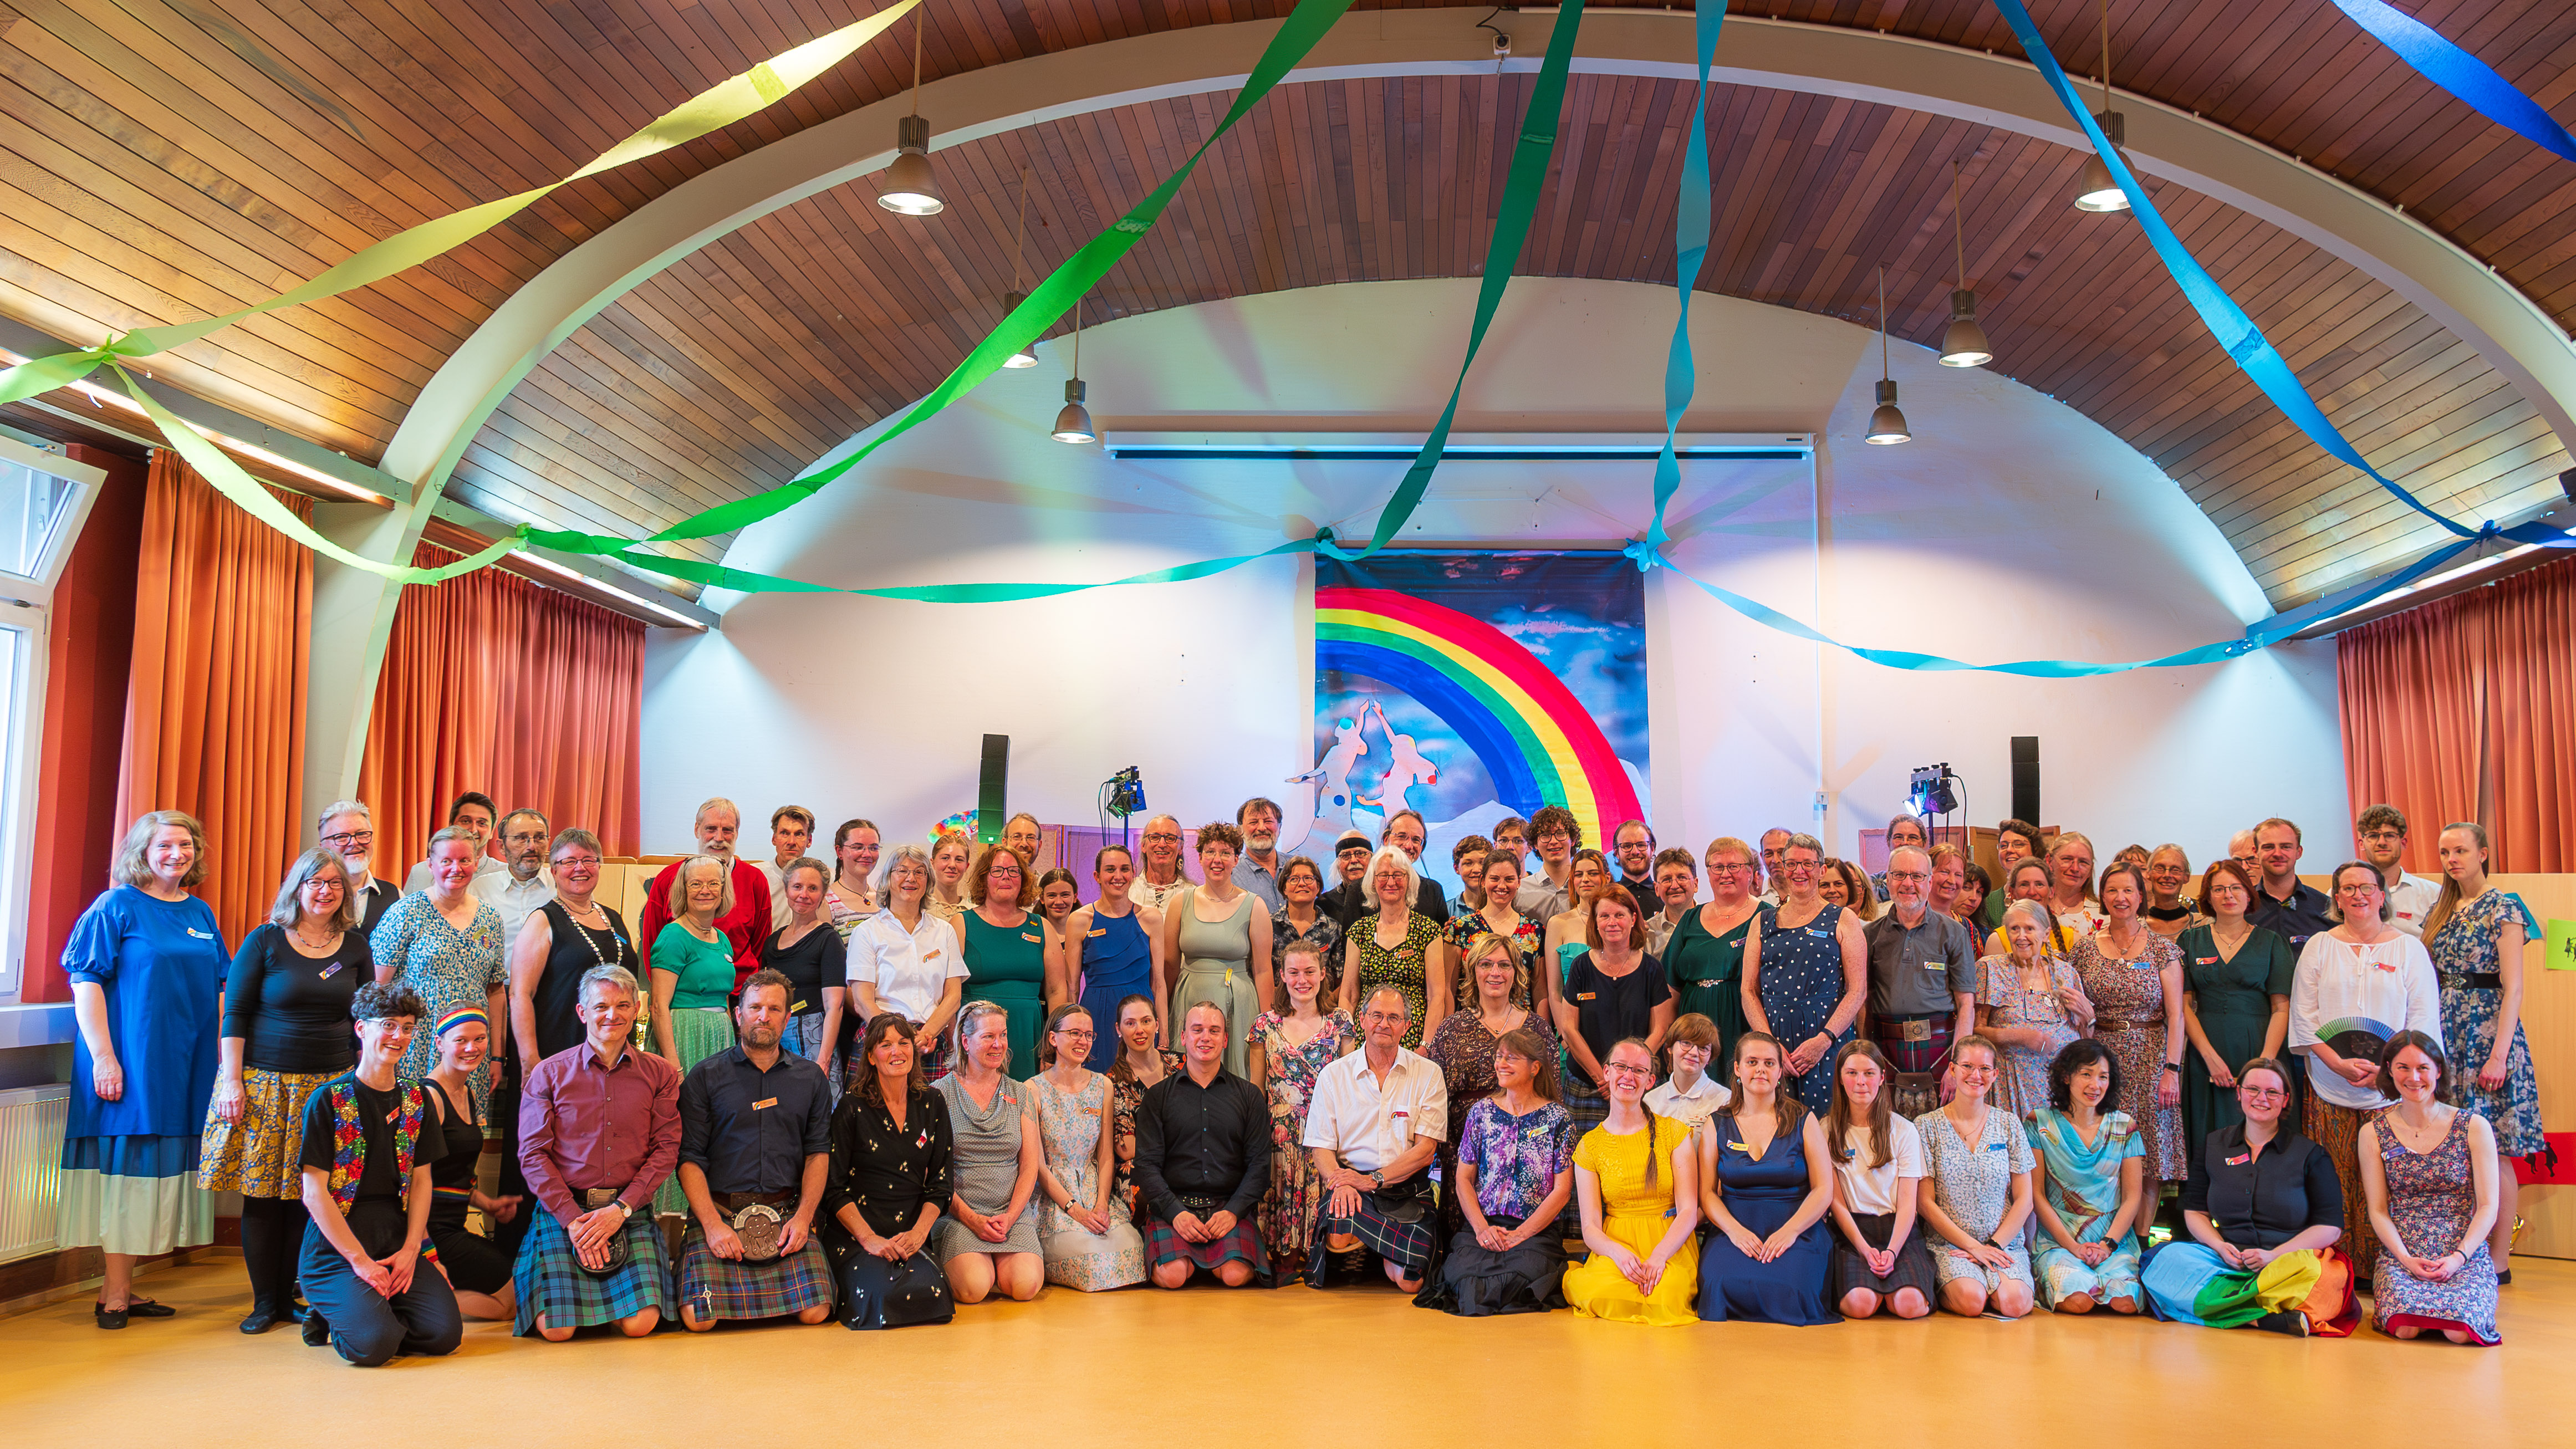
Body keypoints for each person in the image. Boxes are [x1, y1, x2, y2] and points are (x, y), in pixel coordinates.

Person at [64, 810, 227, 1330]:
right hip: (132, 1063)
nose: (177, 854)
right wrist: (104, 1058)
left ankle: (125, 1288)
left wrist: (224, 1061)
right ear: (142, 852)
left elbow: (220, 988)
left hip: (188, 1065)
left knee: (157, 1173)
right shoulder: (115, 906)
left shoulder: (200, 911)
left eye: (186, 845)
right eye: (165, 845)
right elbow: (85, 983)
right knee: (131, 1170)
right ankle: (114, 1294)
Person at [201, 847, 370, 1333]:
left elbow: (363, 1019)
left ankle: (291, 1296)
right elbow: (235, 1014)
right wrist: (232, 1081)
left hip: (329, 1087)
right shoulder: (265, 940)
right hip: (264, 1084)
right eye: (315, 882)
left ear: (345, 893)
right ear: (297, 888)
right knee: (262, 1196)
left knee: (307, 1195)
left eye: (334, 884)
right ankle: (264, 1303)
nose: (325, 892)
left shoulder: (356, 946)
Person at [290, 983, 463, 1366]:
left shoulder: (418, 1099)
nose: (398, 1036)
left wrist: (412, 1250)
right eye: (388, 1025)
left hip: (395, 1241)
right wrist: (361, 1263)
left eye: (407, 1027)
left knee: (444, 1335)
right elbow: (314, 1193)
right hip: (337, 1250)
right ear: (361, 1029)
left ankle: (368, 1311)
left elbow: (422, 1181)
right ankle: (336, 1313)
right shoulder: (328, 1100)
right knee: (375, 1346)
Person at [2291, 860, 2442, 1279]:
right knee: (2334, 1178)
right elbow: (2303, 1015)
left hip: (2391, 1089)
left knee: (2387, 1181)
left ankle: (2389, 1267)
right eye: (2348, 888)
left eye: (2367, 887)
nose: (2358, 895)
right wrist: (2335, 1062)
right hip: (2328, 1082)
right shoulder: (2319, 946)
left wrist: (2387, 1071)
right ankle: (2338, 1271)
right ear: (2337, 898)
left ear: (2382, 895)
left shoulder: (2409, 948)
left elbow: (2422, 1020)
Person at [513, 964, 678, 1340]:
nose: (612, 1015)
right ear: (582, 1012)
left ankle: (602, 1304)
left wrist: (620, 1210)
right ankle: (594, 1304)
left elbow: (666, 1149)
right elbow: (533, 1155)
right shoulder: (548, 1074)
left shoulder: (661, 1074)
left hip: (627, 1210)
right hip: (565, 1211)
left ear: (636, 1010)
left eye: (622, 1005)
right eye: (601, 1006)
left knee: (640, 1325)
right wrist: (573, 1220)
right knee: (557, 1330)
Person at [2142, 1057, 2355, 1335]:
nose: (2261, 1098)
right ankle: (2263, 1317)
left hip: (2288, 1261)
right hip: (2225, 1261)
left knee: (2323, 1276)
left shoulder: (2312, 1154)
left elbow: (2330, 1227)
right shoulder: (2214, 1145)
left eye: (2272, 1092)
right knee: (2165, 1261)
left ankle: (2221, 1308)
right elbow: (2195, 1211)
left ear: (2285, 1100)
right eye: (2253, 1089)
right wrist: (2220, 1247)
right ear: (2239, 1093)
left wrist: (2274, 1256)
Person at [672, 969, 835, 1331]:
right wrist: (712, 1226)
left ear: (787, 1018)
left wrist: (803, 1218)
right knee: (699, 1318)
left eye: (774, 1009)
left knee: (817, 1311)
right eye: (755, 1007)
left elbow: (818, 1154)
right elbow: (688, 1159)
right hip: (721, 1214)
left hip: (786, 1217)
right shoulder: (704, 1077)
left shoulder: (811, 1079)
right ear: (738, 1014)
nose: (764, 1016)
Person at [2423, 820, 2541, 1281]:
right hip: (2446, 1032)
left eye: (2460, 850)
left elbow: (2514, 989)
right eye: (2444, 852)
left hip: (2487, 1032)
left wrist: (2498, 1055)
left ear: (2483, 854)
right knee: (2453, 1148)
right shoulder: (2441, 908)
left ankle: (2498, 1261)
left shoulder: (2503, 907)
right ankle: (2459, 1251)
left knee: (2494, 1149)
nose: (2451, 859)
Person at [2357, 1033, 2500, 1345]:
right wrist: (2405, 1258)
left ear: (2438, 1070)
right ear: (2389, 1070)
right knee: (2405, 1329)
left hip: (2463, 1253)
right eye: (2403, 1068)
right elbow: (2378, 1209)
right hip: (2403, 1255)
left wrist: (2459, 1258)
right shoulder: (2372, 1132)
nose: (2414, 1078)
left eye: (2423, 1068)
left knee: (2459, 1332)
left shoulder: (2474, 1126)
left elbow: (2489, 1206)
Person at [1303, 987, 1448, 1290]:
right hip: (1351, 1181)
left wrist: (1373, 1180)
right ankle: (1372, 1246)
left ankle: (1378, 1252)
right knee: (1338, 1236)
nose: (1384, 1024)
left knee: (1411, 1284)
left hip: (1407, 1188)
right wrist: (1341, 1182)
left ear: (1407, 1026)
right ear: (1362, 1019)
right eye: (1377, 1016)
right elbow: (1321, 1147)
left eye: (1394, 1018)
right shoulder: (1333, 1075)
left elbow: (1426, 1151)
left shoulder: (1429, 1074)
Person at [1421, 932, 1561, 1244]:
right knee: (1467, 1244)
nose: (1495, 973)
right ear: (1473, 971)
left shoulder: (1537, 1028)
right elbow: (1435, 1099)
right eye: (1486, 964)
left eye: (1504, 965)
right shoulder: (1451, 1028)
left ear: (1516, 972)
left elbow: (1553, 1097)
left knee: (1521, 1245)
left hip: (1525, 1150)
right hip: (1463, 1152)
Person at [1424, 1027, 1573, 1316]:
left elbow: (1562, 1191)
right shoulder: (1481, 1112)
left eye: (1511, 1058)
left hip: (1535, 1231)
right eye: (1499, 1057)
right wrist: (1482, 1230)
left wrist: (1519, 1235)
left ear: (1535, 1068)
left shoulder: (1558, 1118)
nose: (1500, 1064)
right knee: (1467, 1282)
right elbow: (1463, 1179)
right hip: (1485, 1225)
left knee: (1518, 1279)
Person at [822, 1013, 955, 1329]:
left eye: (904, 1043)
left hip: (909, 1235)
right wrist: (869, 1239)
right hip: (857, 1235)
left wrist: (919, 1235)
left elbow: (941, 1184)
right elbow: (833, 1189)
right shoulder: (851, 1107)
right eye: (886, 1045)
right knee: (881, 1297)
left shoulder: (933, 1102)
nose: (897, 1051)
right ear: (871, 1056)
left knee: (934, 1296)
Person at [1695, 1032, 1838, 1324]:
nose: (1761, 1069)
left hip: (1797, 1229)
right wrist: (1734, 1232)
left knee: (1793, 1290)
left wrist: (1791, 1232)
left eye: (1769, 1063)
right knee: (1717, 1285)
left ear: (1780, 1071)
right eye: (1752, 1062)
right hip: (1734, 1230)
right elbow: (1707, 1193)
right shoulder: (1716, 1124)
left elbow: (1824, 1189)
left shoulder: (1804, 1119)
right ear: (1737, 1069)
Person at [1560, 1037, 1698, 1325]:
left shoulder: (1674, 1133)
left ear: (1650, 1081)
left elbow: (1688, 1211)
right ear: (1607, 1072)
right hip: (1618, 1244)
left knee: (1665, 1298)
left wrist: (1659, 1256)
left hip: (1668, 1241)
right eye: (1621, 1067)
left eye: (1638, 1070)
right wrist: (1618, 1255)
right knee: (1600, 1294)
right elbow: (1590, 1227)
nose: (1628, 1076)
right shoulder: (1589, 1146)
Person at [1135, 1001, 1272, 1288]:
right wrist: (1175, 1213)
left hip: (1227, 1207)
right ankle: (1190, 1261)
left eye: (1214, 1031)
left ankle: (1209, 1261)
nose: (1205, 1038)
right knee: (1172, 1276)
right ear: (1183, 1037)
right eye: (1197, 1030)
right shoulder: (1158, 1097)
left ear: (1225, 1039)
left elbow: (1259, 1166)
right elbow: (1146, 1167)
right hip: (1175, 1206)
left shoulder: (1249, 1097)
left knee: (1235, 1276)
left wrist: (1233, 1212)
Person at [2067, 862, 2186, 1183]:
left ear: (2141, 896)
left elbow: (2176, 1016)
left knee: (2149, 1150)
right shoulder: (2084, 949)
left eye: (2128, 890)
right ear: (2103, 897)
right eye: (2112, 891)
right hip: (2100, 1057)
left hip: (2151, 1056)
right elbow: (2073, 1007)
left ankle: (2142, 1220)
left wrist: (2172, 1070)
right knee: (2103, 1144)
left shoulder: (2162, 950)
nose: (2121, 898)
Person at [373, 826, 506, 1109]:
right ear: (430, 865)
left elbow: (495, 991)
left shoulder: (490, 919)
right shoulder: (405, 912)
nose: (456, 869)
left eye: (464, 860)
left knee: (463, 1127)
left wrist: (497, 1056)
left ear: (476, 863)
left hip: (469, 1048)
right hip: (414, 1045)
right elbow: (379, 988)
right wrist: (381, 1048)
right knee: (412, 1126)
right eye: (447, 861)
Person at [1248, 945, 1358, 1278]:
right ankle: (1284, 1254)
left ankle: (1318, 1253)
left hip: (1324, 1133)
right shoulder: (1264, 1025)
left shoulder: (1341, 1022)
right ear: (1282, 976)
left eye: (1310, 972)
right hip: (1279, 1134)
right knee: (1279, 1191)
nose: (1302, 980)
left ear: (1323, 974)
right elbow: (1257, 1090)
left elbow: (1350, 1087)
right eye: (1294, 972)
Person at [2177, 859, 2295, 1164]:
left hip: (2259, 1046)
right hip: (2205, 1051)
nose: (2228, 895)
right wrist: (2209, 1058)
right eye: (2219, 889)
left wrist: (2265, 1064)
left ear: (2248, 893)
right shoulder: (2190, 940)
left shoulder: (2272, 942)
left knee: (2259, 1130)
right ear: (2208, 896)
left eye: (2236, 888)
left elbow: (2281, 1008)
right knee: (2207, 1134)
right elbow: (2183, 1006)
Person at [929, 1002, 1045, 1304]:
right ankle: (977, 1263)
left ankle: (999, 1261)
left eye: (1003, 1035)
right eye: (988, 1037)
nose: (999, 1044)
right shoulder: (938, 1094)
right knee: (974, 1288)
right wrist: (973, 1220)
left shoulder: (1020, 1093)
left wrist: (1010, 1216)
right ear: (965, 1042)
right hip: (959, 1215)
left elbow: (1029, 1166)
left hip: (1011, 1214)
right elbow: (933, 1172)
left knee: (1025, 1287)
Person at [1915, 1036, 2037, 1318]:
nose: (1976, 1075)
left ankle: (1999, 1285)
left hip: (2003, 1244)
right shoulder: (1927, 1126)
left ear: (1995, 1074)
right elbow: (1925, 1203)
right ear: (1952, 1069)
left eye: (1984, 1068)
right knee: (1971, 1301)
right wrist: (1972, 1247)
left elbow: (2025, 1200)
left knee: (2015, 1304)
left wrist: (1992, 1247)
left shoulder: (2009, 1123)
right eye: (1968, 1066)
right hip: (1951, 1245)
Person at [1743, 835, 1866, 1112]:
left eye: (1808, 864)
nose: (1799, 871)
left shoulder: (1843, 919)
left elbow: (1857, 990)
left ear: (1822, 870)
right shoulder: (1762, 921)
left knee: (1829, 1125)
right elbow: (1748, 991)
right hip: (1774, 1041)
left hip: (1827, 1039)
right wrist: (1769, 1046)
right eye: (1792, 864)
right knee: (1775, 1121)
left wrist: (1824, 1041)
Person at [649, 855, 742, 1219]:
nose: (705, 890)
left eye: (713, 883)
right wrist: (672, 1062)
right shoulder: (673, 936)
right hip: (684, 1037)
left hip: (719, 1039)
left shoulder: (722, 938)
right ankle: (672, 1214)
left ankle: (704, 1211)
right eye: (696, 884)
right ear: (683, 890)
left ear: (724, 889)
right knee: (682, 1126)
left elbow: (725, 999)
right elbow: (659, 1005)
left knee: (712, 1126)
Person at [1031, 1005, 1147, 1290]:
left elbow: (1105, 1155)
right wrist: (1075, 1210)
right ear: (1053, 1038)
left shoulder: (1102, 1086)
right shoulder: (1032, 1089)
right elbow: (1037, 1165)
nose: (1083, 1041)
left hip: (1095, 1193)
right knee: (1096, 1264)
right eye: (1074, 1033)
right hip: (1055, 1200)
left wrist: (1102, 1205)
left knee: (1134, 1252)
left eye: (1088, 1035)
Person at [2027, 1039, 2145, 1314]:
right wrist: (2073, 1247)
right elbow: (2036, 1195)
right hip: (2059, 1241)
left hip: (2113, 1242)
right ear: (2066, 1077)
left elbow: (2133, 1197)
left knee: (2126, 1303)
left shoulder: (2125, 1126)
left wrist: (2107, 1245)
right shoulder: (2039, 1122)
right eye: (2086, 1074)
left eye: (2103, 1077)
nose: (2095, 1085)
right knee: (2078, 1301)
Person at [510, 829, 634, 1079]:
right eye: (569, 861)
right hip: (557, 1051)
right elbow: (520, 994)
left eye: (589, 860)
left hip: (612, 1053)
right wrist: (530, 1060)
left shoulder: (613, 918)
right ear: (554, 871)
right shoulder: (542, 921)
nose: (580, 868)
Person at [1823, 1040, 1934, 1320]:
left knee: (1909, 1305)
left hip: (1898, 1230)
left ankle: (1894, 1292)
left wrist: (1892, 1252)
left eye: (1869, 1073)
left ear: (1882, 1078)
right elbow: (1836, 1202)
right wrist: (1864, 1249)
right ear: (1840, 1078)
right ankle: (1876, 1292)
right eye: (1852, 1073)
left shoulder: (1904, 1130)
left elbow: (1908, 1204)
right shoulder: (1826, 1130)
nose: (1861, 1082)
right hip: (1852, 1231)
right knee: (1860, 1305)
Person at [1553, 885, 1675, 1139]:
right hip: (1588, 1085)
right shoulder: (1581, 967)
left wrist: (1627, 1075)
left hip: (1638, 1086)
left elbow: (1661, 1030)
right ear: (1595, 922)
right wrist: (1605, 1078)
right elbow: (1569, 1028)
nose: (1612, 922)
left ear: (1633, 919)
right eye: (1604, 916)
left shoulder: (1652, 969)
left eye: (1620, 915)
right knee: (1584, 1158)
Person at [421, 1007, 518, 1321]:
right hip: (431, 1231)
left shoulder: (466, 1092)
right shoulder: (429, 1097)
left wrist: (488, 1204)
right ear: (440, 1043)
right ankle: (411, 1299)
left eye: (480, 1039)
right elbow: (409, 1183)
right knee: (509, 1304)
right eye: (461, 1040)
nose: (471, 1048)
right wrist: (426, 1251)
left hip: (453, 1225)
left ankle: (421, 1297)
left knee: (516, 1292)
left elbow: (453, 1172)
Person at [1863, 845, 1976, 1101]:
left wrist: (1959, 1064)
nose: (1908, 884)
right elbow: (1863, 1001)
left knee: (1943, 1123)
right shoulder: (1869, 935)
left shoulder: (1954, 933)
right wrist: (1866, 1054)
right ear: (1888, 880)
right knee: (1887, 1124)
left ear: (1930, 882)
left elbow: (1966, 1004)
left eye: (1917, 876)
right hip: (1885, 1049)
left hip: (1941, 1048)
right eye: (1899, 875)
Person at [848, 843, 967, 1081]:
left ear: (928, 881)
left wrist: (927, 1034)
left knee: (931, 1107)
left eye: (920, 872)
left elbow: (953, 996)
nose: (911, 878)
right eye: (902, 871)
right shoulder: (867, 932)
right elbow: (862, 1001)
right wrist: (897, 1040)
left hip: (930, 1041)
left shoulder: (944, 931)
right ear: (888, 878)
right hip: (880, 1040)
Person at [1165, 823, 1274, 1077]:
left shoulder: (1254, 906)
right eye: (1210, 852)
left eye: (1226, 853)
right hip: (1188, 999)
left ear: (1236, 859)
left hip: (1238, 1004)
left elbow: (1263, 971)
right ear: (1200, 858)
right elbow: (1169, 965)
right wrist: (1163, 1012)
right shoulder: (1180, 903)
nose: (1218, 860)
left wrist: (1268, 1025)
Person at [1976, 899, 2092, 1116]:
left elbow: (2086, 1037)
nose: (2021, 936)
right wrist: (2019, 1036)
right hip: (2012, 1085)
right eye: (2014, 929)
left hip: (2062, 1085)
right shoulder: (1991, 969)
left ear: (2046, 934)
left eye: (2029, 929)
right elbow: (1976, 1030)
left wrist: (2090, 1017)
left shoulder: (2066, 973)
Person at [1062, 845, 1166, 1073]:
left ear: (1133, 873)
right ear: (1097, 876)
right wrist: (1072, 1033)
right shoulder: (1079, 920)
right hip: (1097, 1014)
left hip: (1141, 1017)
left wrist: (1165, 1034)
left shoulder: (1151, 918)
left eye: (1124, 869)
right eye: (1110, 869)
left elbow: (1159, 983)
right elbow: (1072, 987)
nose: (1118, 876)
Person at [960, 844, 1059, 1079]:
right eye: (997, 871)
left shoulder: (1042, 927)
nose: (1006, 877)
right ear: (984, 878)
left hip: (1028, 1034)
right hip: (977, 1034)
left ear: (1023, 880)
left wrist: (1053, 1045)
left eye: (1014, 871)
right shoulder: (962, 923)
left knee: (1025, 1098)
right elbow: (948, 990)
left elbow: (1057, 991)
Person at [1665, 836, 1760, 1066]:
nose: (1725, 874)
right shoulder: (1690, 919)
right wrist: (1669, 1040)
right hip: (1692, 1028)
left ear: (1750, 871)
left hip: (1742, 1025)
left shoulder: (1766, 917)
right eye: (1717, 867)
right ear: (1708, 873)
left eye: (1734, 866)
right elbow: (1670, 989)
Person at [1340, 846, 1445, 1049]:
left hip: (1413, 1042)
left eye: (1398, 875)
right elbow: (1349, 995)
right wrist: (1348, 1043)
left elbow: (1436, 996)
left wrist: (1426, 1045)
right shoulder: (1359, 931)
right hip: (1365, 1040)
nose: (1391, 882)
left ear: (1409, 880)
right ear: (1372, 882)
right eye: (1383, 875)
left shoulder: (1428, 930)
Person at [760, 857, 848, 1089]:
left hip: (815, 1040)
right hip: (777, 1040)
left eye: (813, 888)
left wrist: (824, 1060)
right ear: (786, 890)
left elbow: (835, 1006)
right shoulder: (772, 941)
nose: (804, 895)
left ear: (823, 894)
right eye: (797, 887)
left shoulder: (828, 939)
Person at [1106, 994, 1182, 1220]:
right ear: (1119, 1029)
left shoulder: (1182, 1065)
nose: (1139, 1030)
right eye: (1130, 1023)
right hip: (1140, 1166)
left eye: (1146, 1021)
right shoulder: (1112, 1082)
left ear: (1157, 1025)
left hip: (1187, 1156)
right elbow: (1127, 1149)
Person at [1451, 850, 1542, 1010]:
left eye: (1509, 879)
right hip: (1471, 1020)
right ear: (1483, 881)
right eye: (1494, 879)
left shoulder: (1535, 931)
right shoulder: (1460, 928)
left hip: (1522, 1022)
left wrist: (1541, 1026)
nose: (1502, 886)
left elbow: (1541, 993)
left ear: (1519, 882)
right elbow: (1448, 990)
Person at [2248, 817, 2335, 955]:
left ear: (2299, 852)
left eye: (2286, 847)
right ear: (2255, 852)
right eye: (2269, 847)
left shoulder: (2326, 908)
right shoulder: (2241, 907)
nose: (2278, 854)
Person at [477, 808, 557, 955]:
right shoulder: (480, 890)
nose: (532, 846)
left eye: (539, 838)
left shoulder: (562, 887)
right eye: (521, 838)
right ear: (502, 847)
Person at [317, 800, 401, 936]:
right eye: (342, 837)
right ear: (323, 847)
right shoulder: (312, 896)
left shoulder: (396, 896)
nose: (354, 843)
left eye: (362, 834)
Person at [1270, 854, 1344, 1006]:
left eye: (1309, 879)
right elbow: (1260, 973)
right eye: (1294, 879)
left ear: (1319, 887)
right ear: (1284, 888)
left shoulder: (1333, 928)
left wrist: (1327, 1003)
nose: (1302, 884)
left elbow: (1341, 978)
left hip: (1322, 1009)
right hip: (1279, 1008)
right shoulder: (1269, 926)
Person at [2358, 804, 2441, 938]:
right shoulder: (2344, 894)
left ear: (2403, 843)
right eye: (2373, 836)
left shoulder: (2433, 894)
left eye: (2390, 836)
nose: (2382, 842)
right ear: (2362, 844)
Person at [399, 793, 504, 894]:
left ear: (492, 832)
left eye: (482, 823)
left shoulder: (504, 874)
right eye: (466, 821)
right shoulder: (421, 872)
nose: (473, 830)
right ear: (451, 826)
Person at [1644, 1013, 1732, 1130]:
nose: (1694, 1053)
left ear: (1710, 1058)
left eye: (1703, 1048)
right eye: (1686, 1043)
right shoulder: (1650, 1101)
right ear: (1670, 1048)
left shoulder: (1724, 1100)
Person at [1985, 859, 2075, 960]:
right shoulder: (1997, 941)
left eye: (2039, 884)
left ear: (2051, 891)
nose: (2032, 892)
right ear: (2012, 892)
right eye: (2024, 885)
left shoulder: (2071, 939)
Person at [1376, 809, 1453, 924]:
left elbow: (1443, 934)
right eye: (1401, 836)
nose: (1409, 846)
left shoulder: (1433, 891)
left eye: (1416, 840)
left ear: (1421, 848)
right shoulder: (1360, 890)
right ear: (1386, 840)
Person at [754, 805, 817, 926]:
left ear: (809, 840)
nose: (791, 842)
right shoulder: (756, 876)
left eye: (799, 834)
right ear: (774, 839)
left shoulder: (821, 881)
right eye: (784, 833)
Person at [1979, 819, 2046, 932]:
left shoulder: (2046, 896)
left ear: (2035, 850)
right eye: (2003, 846)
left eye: (2018, 845)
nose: (2009, 850)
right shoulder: (1989, 903)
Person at [1520, 805, 1582, 922]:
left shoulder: (1587, 886)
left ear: (1573, 840)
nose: (1553, 841)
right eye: (1545, 835)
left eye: (1560, 833)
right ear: (1535, 844)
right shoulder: (1521, 891)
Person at [826, 819, 884, 936]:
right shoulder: (826, 902)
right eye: (857, 847)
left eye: (874, 848)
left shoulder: (884, 901)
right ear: (840, 852)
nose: (867, 854)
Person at [2044, 831, 2104, 938]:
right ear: (2049, 861)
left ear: (2091, 869)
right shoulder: (2034, 907)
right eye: (2067, 859)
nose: (2075, 868)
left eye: (2083, 862)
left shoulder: (2103, 915)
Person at [1234, 796, 1288, 914]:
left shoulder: (1297, 867)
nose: (1262, 828)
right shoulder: (1231, 875)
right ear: (1240, 830)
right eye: (1253, 822)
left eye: (1268, 821)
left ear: (1279, 827)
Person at [1130, 815, 1193, 912]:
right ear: (1143, 846)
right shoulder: (1128, 891)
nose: (1162, 844)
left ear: (1181, 848)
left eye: (1170, 838)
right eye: (1155, 837)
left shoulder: (1192, 896)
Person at [1642, 847, 1697, 957]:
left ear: (1695, 884)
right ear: (1656, 889)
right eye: (1666, 880)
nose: (1675, 886)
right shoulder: (1647, 934)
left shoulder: (1713, 923)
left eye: (1682, 878)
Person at [1319, 828, 1377, 930]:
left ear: (1372, 859)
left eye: (1360, 853)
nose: (1354, 860)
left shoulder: (1385, 898)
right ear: (1338, 864)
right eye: (1345, 856)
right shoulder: (1325, 905)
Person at [2142, 844, 2201, 940]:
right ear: (2149, 874)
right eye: (2160, 868)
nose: (2167, 875)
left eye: (2176, 870)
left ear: (2186, 877)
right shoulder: (2136, 927)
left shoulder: (2202, 926)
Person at [926, 830, 976, 925]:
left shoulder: (974, 913)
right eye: (945, 858)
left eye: (959, 860)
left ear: (967, 866)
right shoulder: (920, 909)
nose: (952, 865)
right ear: (933, 863)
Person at [1611, 819, 1658, 900]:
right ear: (1617, 853)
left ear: (1652, 849)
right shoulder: (1608, 897)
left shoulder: (1665, 896)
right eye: (1627, 846)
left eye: (1641, 845)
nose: (1635, 852)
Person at [1822, 858, 1880, 923]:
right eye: (1825, 885)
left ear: (1865, 892)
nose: (1849, 891)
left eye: (1855, 885)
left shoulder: (1874, 927)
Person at [1448, 836, 1490, 919]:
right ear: (1457, 868)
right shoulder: (1447, 911)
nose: (1476, 870)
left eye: (1483, 863)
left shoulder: (1504, 907)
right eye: (1468, 863)